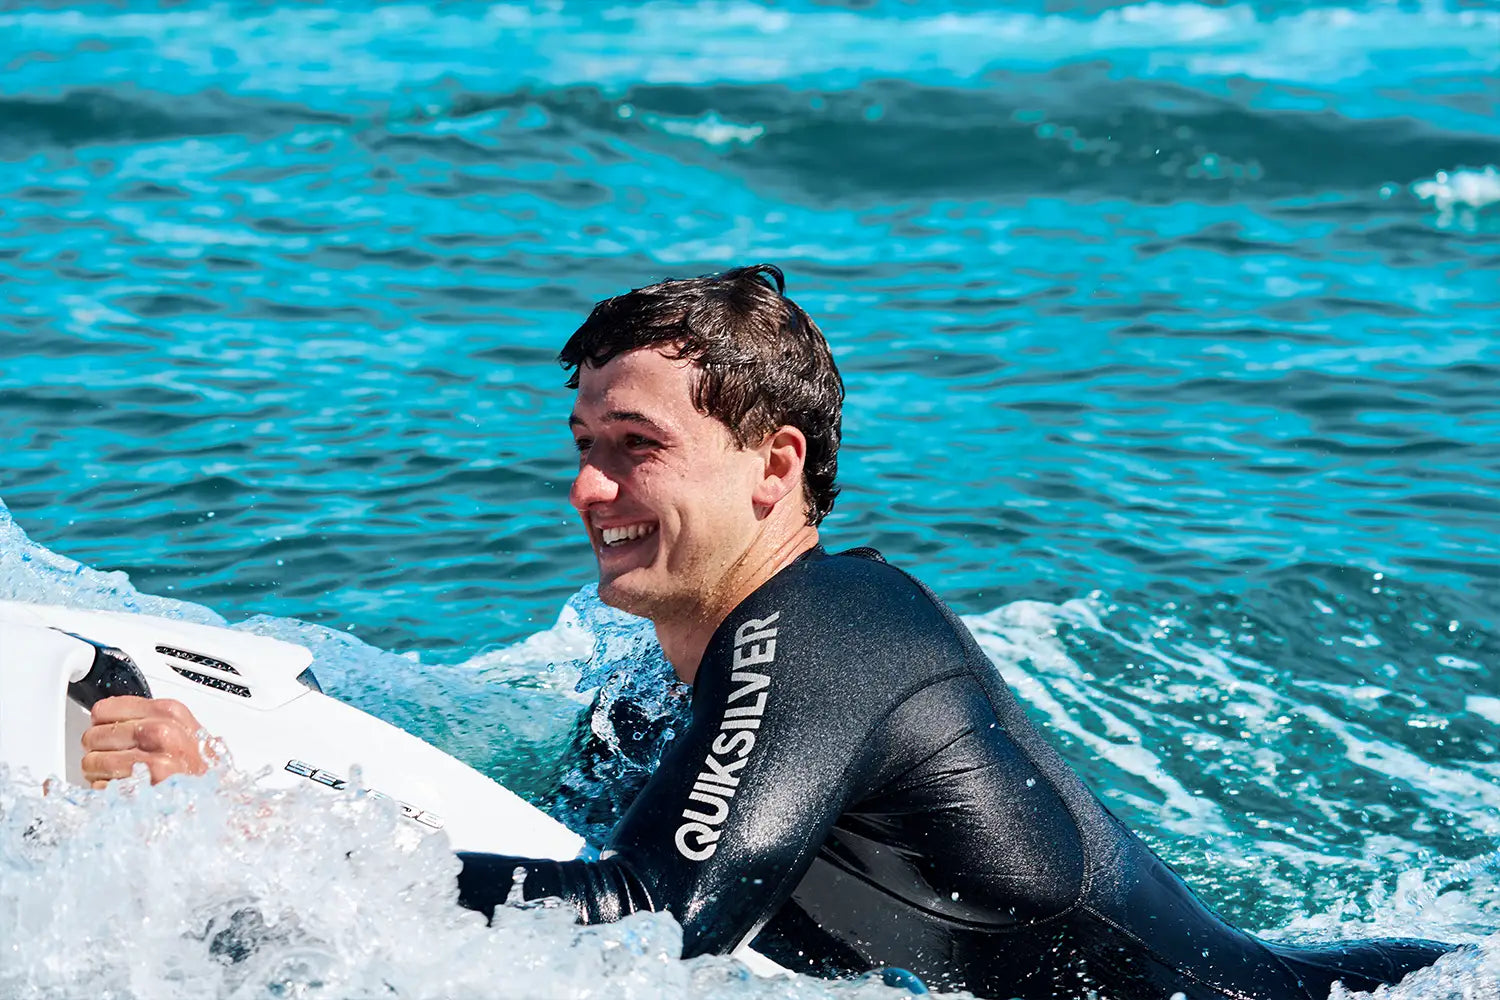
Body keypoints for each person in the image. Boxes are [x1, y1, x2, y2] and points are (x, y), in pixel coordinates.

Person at [82, 265, 1454, 999]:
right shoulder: (651, 699)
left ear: (772, 465)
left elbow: (655, 920)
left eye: (635, 447)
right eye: (581, 446)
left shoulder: (834, 625)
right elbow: (564, 868)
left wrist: (271, 834)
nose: (587, 489)